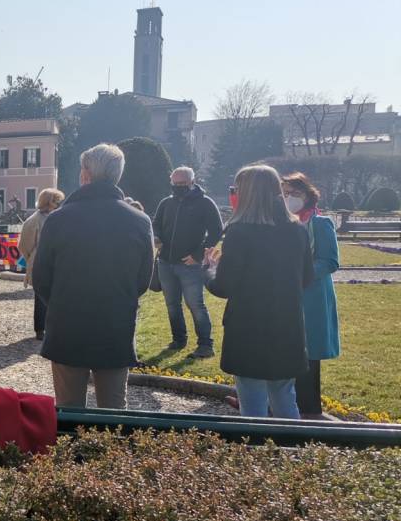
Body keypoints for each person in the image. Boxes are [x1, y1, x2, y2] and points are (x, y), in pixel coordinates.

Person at [33, 144, 154, 409]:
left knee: (68, 408)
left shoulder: (58, 219)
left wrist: (61, 303)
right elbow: (143, 280)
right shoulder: (139, 221)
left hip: (68, 323)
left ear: (85, 175)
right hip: (115, 324)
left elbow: (40, 277)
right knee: (113, 410)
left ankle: (73, 451)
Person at [205, 165, 313, 419]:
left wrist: (208, 271)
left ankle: (256, 455)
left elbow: (224, 286)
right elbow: (306, 278)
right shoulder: (296, 229)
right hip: (287, 325)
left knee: (252, 403)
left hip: (249, 328)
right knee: (286, 399)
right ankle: (293, 454)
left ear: (246, 193)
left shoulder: (240, 232)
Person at [281, 172, 339, 419]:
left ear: (308, 195)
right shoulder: (282, 223)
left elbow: (330, 261)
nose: (290, 198)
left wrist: (300, 273)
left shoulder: (320, 223)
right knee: (284, 349)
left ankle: (309, 409)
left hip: (312, 297)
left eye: (295, 193)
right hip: (285, 295)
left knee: (308, 353)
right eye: (285, 194)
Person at [152, 166, 224, 359]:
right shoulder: (166, 203)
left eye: (182, 184)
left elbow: (217, 230)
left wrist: (199, 254)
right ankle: (178, 340)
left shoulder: (205, 203)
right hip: (166, 261)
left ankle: (205, 345)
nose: (178, 187)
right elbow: (156, 224)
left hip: (191, 264)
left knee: (196, 305)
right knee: (172, 304)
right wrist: (157, 238)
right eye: (175, 184)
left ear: (193, 182)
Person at [18, 188, 64, 340]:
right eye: (55, 201)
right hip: (41, 262)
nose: (57, 204)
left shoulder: (56, 217)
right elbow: (24, 245)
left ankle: (52, 327)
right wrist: (33, 257)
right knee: (41, 298)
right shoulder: (33, 220)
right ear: (48, 202)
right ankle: (40, 329)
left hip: (55, 262)